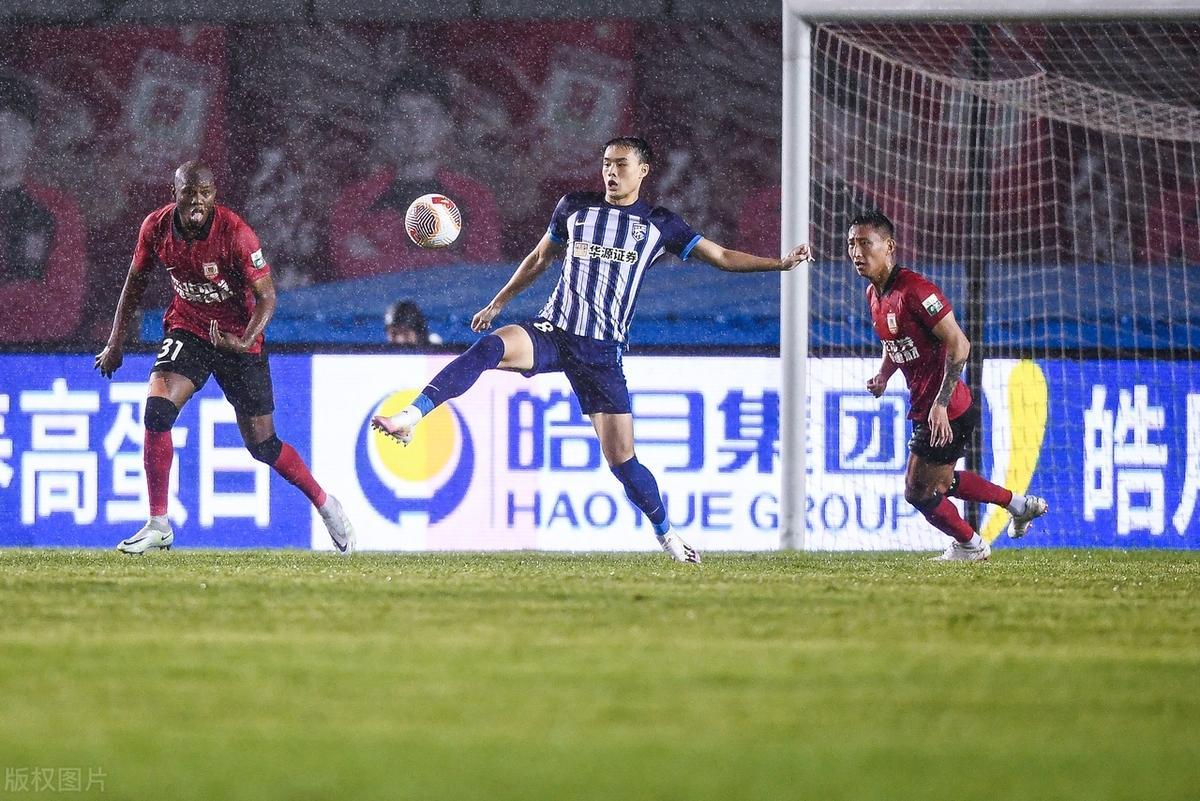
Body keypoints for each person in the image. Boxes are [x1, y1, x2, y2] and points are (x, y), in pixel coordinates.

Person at [372, 136, 810, 563]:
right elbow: (539, 259)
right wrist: (498, 303)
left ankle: (667, 535)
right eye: (606, 164)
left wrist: (780, 263)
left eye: (621, 164)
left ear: (643, 170)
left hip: (601, 354)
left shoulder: (661, 224)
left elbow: (723, 256)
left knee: (622, 462)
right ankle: (410, 417)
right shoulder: (574, 208)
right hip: (554, 330)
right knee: (489, 347)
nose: (611, 172)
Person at [94, 160, 355, 554]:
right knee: (157, 412)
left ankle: (325, 503)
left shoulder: (236, 234)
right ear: (174, 193)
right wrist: (115, 341)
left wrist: (245, 339)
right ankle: (158, 523)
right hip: (188, 329)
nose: (198, 201)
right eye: (189, 192)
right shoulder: (156, 227)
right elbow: (135, 281)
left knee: (263, 446)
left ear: (214, 195)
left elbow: (267, 297)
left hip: (238, 338)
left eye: (205, 193)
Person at [849, 209, 1047, 561]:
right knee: (943, 482)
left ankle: (971, 544)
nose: (856, 252)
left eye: (866, 243)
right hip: (929, 407)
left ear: (889, 246)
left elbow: (960, 344)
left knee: (918, 492)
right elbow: (896, 342)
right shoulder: (874, 294)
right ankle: (1018, 505)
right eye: (851, 244)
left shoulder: (916, 290)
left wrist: (940, 404)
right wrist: (884, 374)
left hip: (948, 410)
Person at [329, 66, 501, 279]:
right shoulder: (356, 199)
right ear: (386, 125)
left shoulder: (474, 196)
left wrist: (383, 260)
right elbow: (350, 269)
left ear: (446, 123)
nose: (414, 125)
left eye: (426, 113)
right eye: (401, 115)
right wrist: (444, 261)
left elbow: (482, 273)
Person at [0, 71, 87, 342]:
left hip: (35, 357)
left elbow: (63, 311)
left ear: (31, 135)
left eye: (15, 125)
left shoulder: (58, 210)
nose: (4, 138)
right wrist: (24, 293)